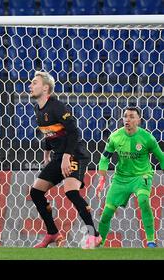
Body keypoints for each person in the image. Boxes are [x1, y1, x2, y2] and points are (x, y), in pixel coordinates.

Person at [28, 71, 101, 249]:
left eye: (34, 82)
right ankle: (53, 233)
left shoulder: (57, 106)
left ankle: (94, 235)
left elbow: (73, 132)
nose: (30, 85)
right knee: (36, 192)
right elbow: (50, 132)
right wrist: (46, 155)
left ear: (46, 88)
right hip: (58, 156)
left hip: (74, 153)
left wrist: (67, 157)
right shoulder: (39, 109)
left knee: (71, 192)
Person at [96, 107, 164, 248]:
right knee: (107, 213)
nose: (127, 119)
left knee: (144, 201)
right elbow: (104, 158)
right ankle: (100, 243)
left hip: (141, 175)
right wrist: (102, 178)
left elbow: (161, 158)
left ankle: (151, 241)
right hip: (121, 178)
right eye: (125, 116)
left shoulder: (147, 138)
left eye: (132, 116)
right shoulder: (115, 137)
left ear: (139, 120)